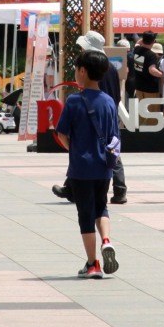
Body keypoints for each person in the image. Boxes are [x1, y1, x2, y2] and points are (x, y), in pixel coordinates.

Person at [53, 49, 122, 280]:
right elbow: (114, 135)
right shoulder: (109, 101)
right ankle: (106, 240)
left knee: (85, 215)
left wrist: (73, 148)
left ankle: (93, 264)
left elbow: (61, 134)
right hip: (104, 166)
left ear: (83, 71)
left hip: (81, 168)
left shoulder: (74, 101)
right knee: (101, 207)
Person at [127, 32, 163, 100]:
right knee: (152, 110)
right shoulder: (151, 55)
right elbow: (152, 70)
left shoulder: (136, 50)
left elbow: (137, 43)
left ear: (143, 40)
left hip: (138, 87)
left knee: (140, 109)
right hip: (150, 89)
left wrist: (143, 39)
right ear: (153, 42)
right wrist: (162, 74)